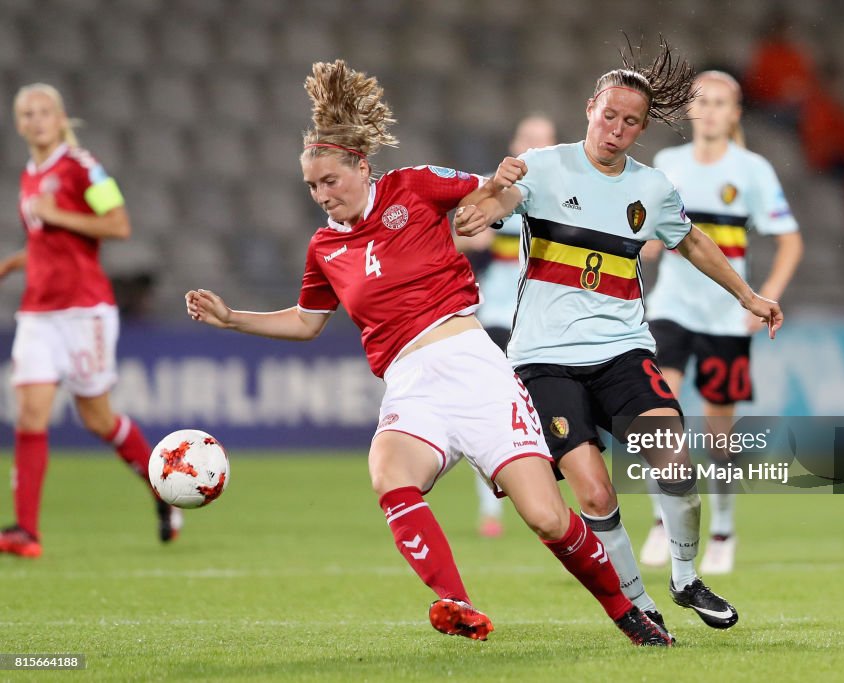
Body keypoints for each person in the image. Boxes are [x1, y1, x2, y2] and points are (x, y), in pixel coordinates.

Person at [185, 59, 672, 646]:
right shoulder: (324, 248)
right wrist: (232, 318)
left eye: (330, 182)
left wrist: (499, 184)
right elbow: (307, 321)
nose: (321, 196)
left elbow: (491, 193)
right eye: (312, 187)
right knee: (389, 473)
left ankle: (628, 614)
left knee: (546, 516)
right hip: (409, 384)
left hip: (471, 364)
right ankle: (457, 603)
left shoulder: (413, 185)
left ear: (361, 166)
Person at [454, 40, 782, 633]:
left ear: (640, 129)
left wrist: (748, 297)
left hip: (623, 351)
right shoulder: (543, 166)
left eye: (631, 122)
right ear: (590, 108)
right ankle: (639, 604)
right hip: (544, 363)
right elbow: (486, 208)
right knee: (597, 496)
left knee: (676, 466)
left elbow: (695, 242)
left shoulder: (651, 189)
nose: (617, 129)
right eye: (610, 115)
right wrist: (485, 195)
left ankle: (684, 579)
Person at [0, 83, 181, 558]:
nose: (36, 120)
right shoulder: (30, 175)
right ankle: (26, 531)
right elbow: (48, 240)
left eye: (44, 112)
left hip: (85, 311)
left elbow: (118, 223)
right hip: (39, 311)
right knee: (30, 413)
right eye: (27, 113)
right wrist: (17, 261)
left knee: (97, 418)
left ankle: (162, 491)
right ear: (19, 124)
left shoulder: (84, 167)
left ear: (60, 119)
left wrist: (59, 214)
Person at [639, 70, 803, 574]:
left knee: (719, 436)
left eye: (720, 103)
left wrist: (763, 297)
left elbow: (789, 241)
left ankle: (723, 530)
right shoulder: (667, 164)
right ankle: (664, 522)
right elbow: (651, 235)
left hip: (726, 317)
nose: (708, 110)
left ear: (734, 114)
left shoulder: (752, 170)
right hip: (672, 307)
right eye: (701, 101)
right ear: (689, 110)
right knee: (657, 416)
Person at [456, 114, 557, 539]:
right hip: (497, 315)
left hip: (546, 317)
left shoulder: (563, 190)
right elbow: (454, 238)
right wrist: (468, 235)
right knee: (490, 408)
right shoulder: (489, 186)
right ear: (515, 142)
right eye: (527, 137)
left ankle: (550, 497)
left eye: (542, 139)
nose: (533, 145)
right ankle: (491, 508)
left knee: (548, 409)